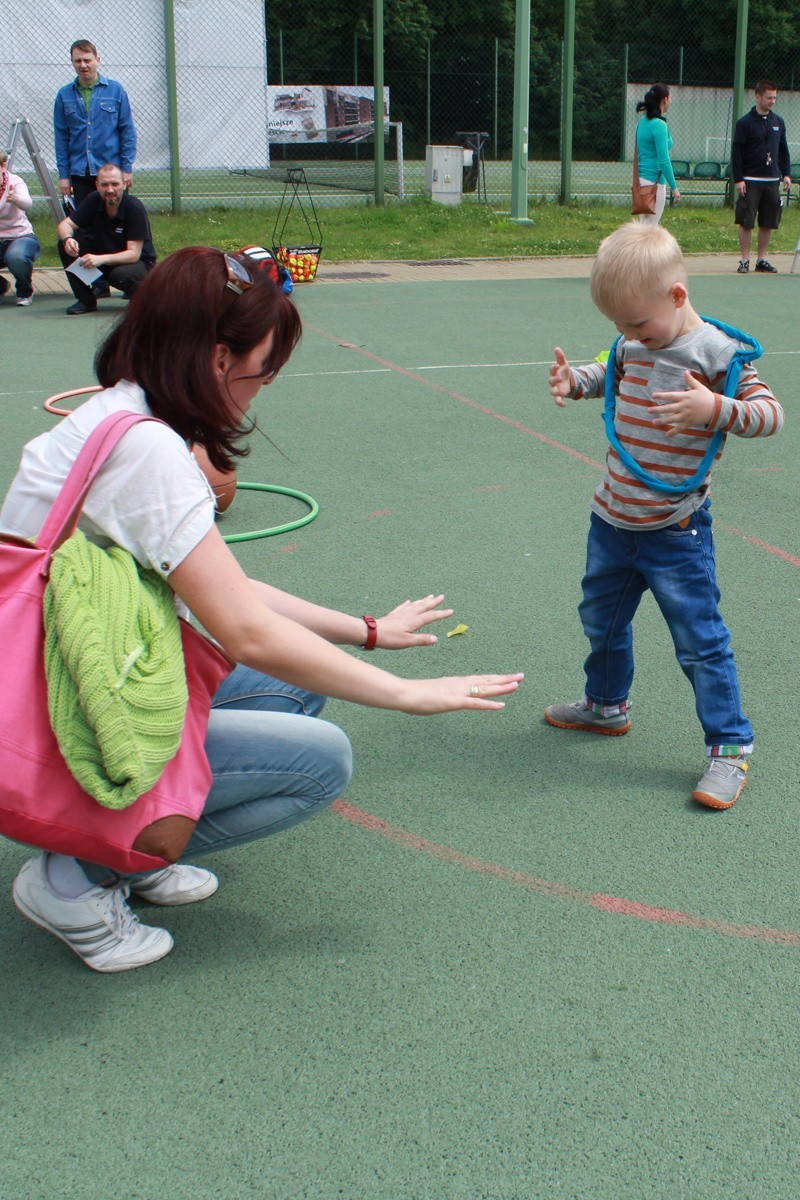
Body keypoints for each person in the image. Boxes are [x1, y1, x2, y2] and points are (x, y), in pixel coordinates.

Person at [0, 245, 523, 972]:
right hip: (64, 714)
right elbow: (244, 630)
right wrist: (407, 696)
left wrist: (367, 632)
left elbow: (229, 591)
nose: (261, 388)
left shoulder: (121, 412)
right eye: (263, 370)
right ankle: (77, 879)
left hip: (74, 675)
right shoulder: (149, 455)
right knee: (322, 765)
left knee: (306, 677)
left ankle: (134, 848)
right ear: (219, 359)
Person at [545, 222, 782, 810]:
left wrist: (716, 408)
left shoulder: (717, 355)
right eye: (619, 327)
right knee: (600, 619)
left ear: (677, 296)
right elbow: (611, 373)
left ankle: (729, 747)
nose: (629, 337)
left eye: (636, 324)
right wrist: (575, 380)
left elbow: (771, 414)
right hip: (613, 519)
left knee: (700, 642)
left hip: (676, 529)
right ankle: (606, 706)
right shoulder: (632, 344)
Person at [56, 163, 156, 314]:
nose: (110, 190)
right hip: (105, 259)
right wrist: (67, 240)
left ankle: (141, 297)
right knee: (65, 247)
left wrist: (100, 259)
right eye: (104, 185)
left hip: (138, 264)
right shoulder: (93, 200)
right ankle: (86, 301)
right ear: (97, 185)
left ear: (124, 184)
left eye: (115, 184)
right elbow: (65, 225)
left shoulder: (134, 208)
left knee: (121, 276)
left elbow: (133, 254)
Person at [54, 39, 137, 207]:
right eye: (78, 61)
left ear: (97, 60)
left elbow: (127, 131)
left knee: (115, 223)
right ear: (72, 62)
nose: (83, 65)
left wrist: (126, 169)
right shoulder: (64, 96)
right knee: (85, 227)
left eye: (87, 60)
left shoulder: (116, 91)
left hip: (111, 172)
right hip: (80, 172)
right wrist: (64, 176)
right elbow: (61, 138)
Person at [731, 79, 792, 274]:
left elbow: (783, 150)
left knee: (768, 221)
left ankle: (762, 259)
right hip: (750, 180)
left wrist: (786, 174)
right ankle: (744, 260)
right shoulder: (744, 123)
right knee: (746, 221)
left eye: (774, 97)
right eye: (769, 97)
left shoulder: (778, 122)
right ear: (758, 96)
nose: (772, 101)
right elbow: (737, 153)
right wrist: (739, 178)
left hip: (772, 180)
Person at [634, 84, 680, 225]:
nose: (671, 102)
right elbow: (664, 161)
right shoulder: (659, 125)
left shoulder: (643, 122)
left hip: (642, 181)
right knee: (650, 230)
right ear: (665, 100)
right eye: (670, 98)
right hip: (655, 183)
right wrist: (674, 187)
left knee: (644, 227)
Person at [0, 151, 40, 307]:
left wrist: (15, 198)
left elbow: (27, 204)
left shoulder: (15, 182)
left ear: (3, 166)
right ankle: (1, 286)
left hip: (21, 237)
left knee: (16, 256)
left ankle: (25, 290)